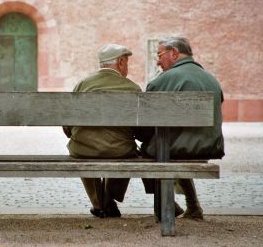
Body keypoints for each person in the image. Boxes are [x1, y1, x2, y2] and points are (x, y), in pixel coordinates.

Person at [139, 36, 225, 220]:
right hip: (209, 145)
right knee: (173, 146)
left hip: (180, 147)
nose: (157, 60)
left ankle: (165, 207)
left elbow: (146, 122)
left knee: (149, 151)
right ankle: (193, 206)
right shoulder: (211, 78)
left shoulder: (164, 79)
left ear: (174, 53)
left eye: (160, 55)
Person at [63, 44, 141, 218]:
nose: (127, 67)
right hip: (120, 150)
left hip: (83, 148)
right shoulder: (132, 88)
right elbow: (141, 130)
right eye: (127, 62)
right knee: (127, 150)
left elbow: (67, 126)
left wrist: (76, 135)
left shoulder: (82, 85)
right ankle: (109, 199)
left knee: (83, 148)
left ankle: (100, 203)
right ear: (121, 62)